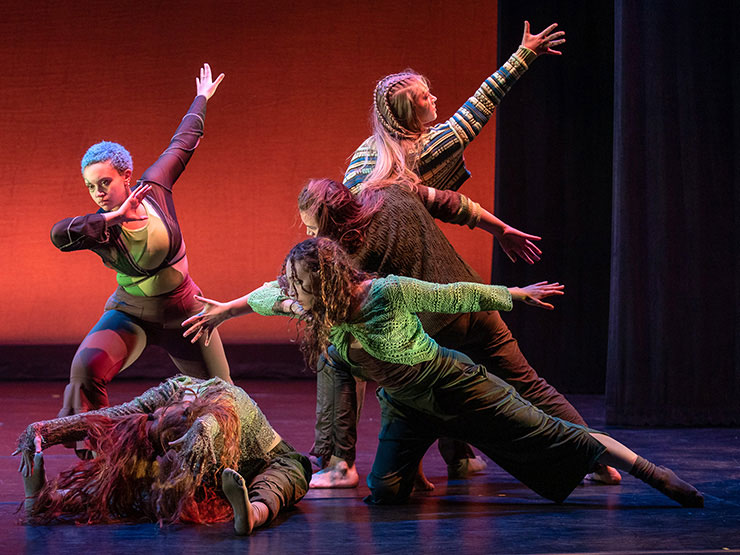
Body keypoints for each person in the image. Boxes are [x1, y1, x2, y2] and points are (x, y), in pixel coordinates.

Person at [184, 238, 704, 509]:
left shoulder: (384, 292)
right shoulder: (311, 306)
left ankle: (653, 474)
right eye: (291, 284)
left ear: (328, 282)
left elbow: (453, 293)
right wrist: (222, 311)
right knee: (385, 494)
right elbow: (264, 296)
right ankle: (416, 467)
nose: (290, 292)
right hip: (407, 406)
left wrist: (516, 295)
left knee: (552, 433)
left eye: (299, 283)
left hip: (454, 384)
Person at [290, 178, 620, 486]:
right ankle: (602, 463)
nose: (309, 234)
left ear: (333, 225)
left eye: (313, 227)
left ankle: (345, 464)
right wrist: (501, 229)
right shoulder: (391, 192)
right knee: (532, 387)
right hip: (477, 306)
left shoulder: (349, 258)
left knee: (349, 363)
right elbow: (450, 202)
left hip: (438, 327)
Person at [50, 64, 231, 433]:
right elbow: (58, 235)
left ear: (126, 176)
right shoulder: (99, 227)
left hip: (183, 311)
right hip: (130, 313)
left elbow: (182, 143)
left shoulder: (156, 187)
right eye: (90, 186)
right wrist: (111, 219)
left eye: (104, 181)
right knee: (84, 370)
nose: (98, 192)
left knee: (222, 396)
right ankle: (102, 464)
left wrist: (201, 98)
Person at [15, 375, 311, 534]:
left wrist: (203, 430)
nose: (151, 416)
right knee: (141, 489)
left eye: (155, 419)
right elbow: (116, 415)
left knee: (288, 474)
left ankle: (251, 514)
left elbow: (223, 412)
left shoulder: (222, 397)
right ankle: (51, 498)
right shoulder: (173, 391)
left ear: (185, 413)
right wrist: (44, 431)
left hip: (268, 461)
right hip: (202, 472)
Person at [343, 21, 565, 193]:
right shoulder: (429, 148)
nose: (434, 98)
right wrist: (524, 54)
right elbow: (483, 100)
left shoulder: (365, 150)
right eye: (425, 97)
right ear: (409, 111)